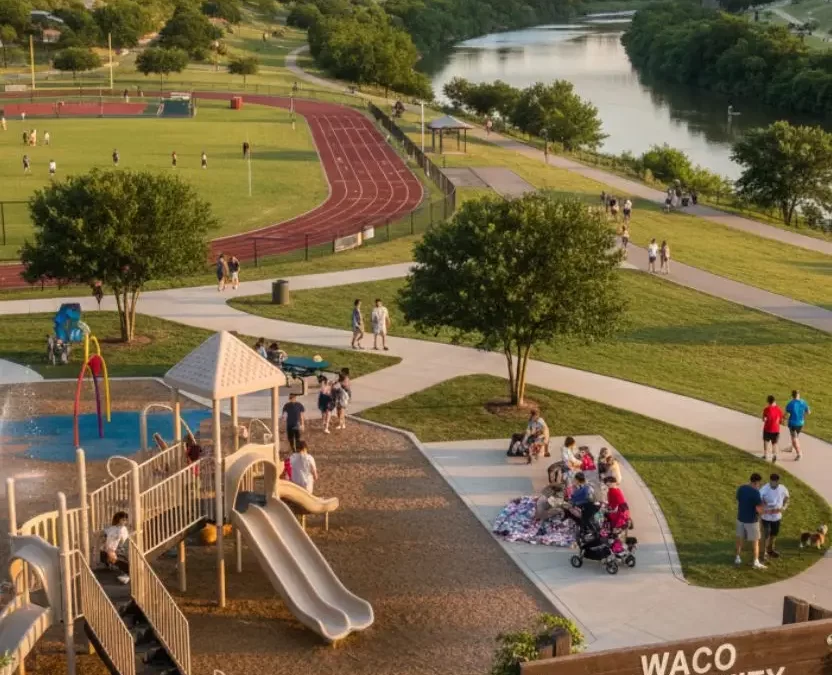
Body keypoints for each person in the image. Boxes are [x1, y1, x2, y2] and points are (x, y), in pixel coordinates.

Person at [735, 472, 766, 569]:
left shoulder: (741, 488)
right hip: (752, 520)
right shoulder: (755, 492)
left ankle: (737, 557)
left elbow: (738, 499)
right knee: (755, 541)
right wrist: (763, 507)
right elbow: (759, 509)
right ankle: (756, 562)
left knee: (739, 539)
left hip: (740, 518)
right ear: (757, 482)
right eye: (759, 483)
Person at [759, 473, 789, 561]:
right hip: (766, 516)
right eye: (772, 481)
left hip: (777, 516)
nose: (773, 483)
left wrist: (783, 508)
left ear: (778, 482)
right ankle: (763, 552)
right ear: (770, 481)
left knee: (774, 533)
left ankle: (770, 550)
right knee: (766, 534)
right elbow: (759, 500)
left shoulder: (782, 488)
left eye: (775, 482)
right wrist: (764, 505)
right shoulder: (764, 489)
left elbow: (787, 498)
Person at [100, 511, 130, 584]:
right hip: (107, 549)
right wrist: (104, 537)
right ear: (118, 519)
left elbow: (124, 541)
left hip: (116, 549)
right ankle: (110, 563)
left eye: (126, 520)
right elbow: (104, 534)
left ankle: (126, 574)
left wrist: (115, 549)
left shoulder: (123, 529)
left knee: (117, 558)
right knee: (107, 554)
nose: (125, 522)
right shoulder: (111, 528)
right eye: (123, 520)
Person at [784, 389, 810, 460]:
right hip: (801, 423)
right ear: (799, 395)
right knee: (796, 436)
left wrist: (783, 418)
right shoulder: (804, 402)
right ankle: (791, 448)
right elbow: (808, 412)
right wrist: (802, 415)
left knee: (794, 438)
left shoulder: (790, 404)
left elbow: (787, 414)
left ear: (792, 396)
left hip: (793, 423)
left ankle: (799, 453)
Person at [762, 394, 784, 463]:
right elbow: (781, 421)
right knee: (774, 443)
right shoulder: (779, 410)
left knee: (766, 441)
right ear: (774, 401)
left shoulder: (766, 409)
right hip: (776, 430)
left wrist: (765, 419)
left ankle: (765, 455)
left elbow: (763, 419)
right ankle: (774, 455)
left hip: (767, 429)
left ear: (768, 402)